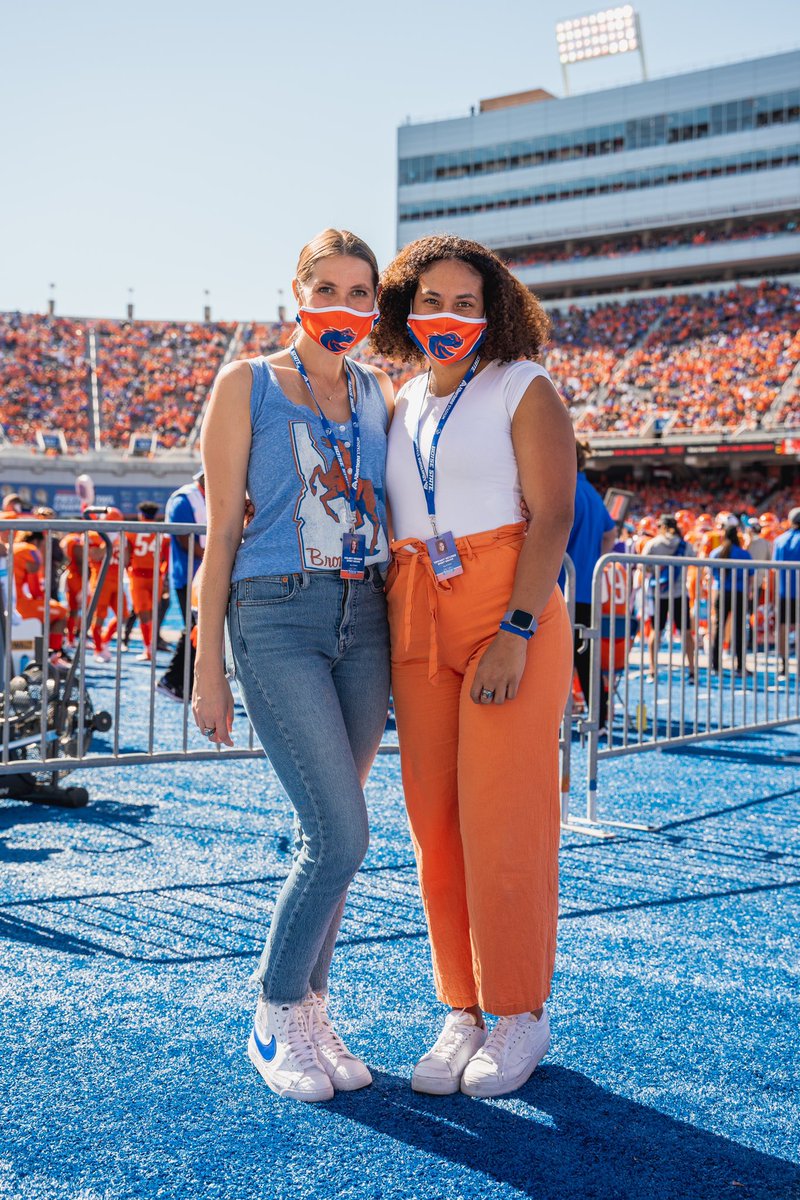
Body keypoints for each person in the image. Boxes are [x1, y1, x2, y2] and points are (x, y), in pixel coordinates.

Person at [192, 229, 394, 1103]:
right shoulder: (245, 384)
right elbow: (221, 532)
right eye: (329, 287)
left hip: (367, 620)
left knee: (337, 838)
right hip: (275, 617)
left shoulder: (378, 392)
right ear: (296, 288)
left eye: (361, 292)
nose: (344, 306)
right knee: (339, 834)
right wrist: (207, 666)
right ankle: (274, 1013)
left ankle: (313, 1006)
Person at [374, 234, 575, 1099]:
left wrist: (518, 627)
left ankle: (519, 1008)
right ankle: (461, 1005)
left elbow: (555, 515)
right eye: (431, 302)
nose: (447, 317)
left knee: (506, 814)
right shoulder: (404, 397)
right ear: (404, 311)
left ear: (493, 311)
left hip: (506, 610)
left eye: (465, 302)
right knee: (435, 823)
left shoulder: (524, 386)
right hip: (418, 612)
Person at [564, 441, 616, 728]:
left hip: (560, 586)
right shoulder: (592, 493)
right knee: (586, 656)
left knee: (555, 655)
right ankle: (600, 712)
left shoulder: (565, 487)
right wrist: (595, 560)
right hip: (586, 587)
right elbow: (611, 533)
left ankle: (559, 712)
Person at [157, 473, 206, 699]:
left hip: (203, 574)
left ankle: (182, 682)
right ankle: (172, 680)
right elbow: (185, 541)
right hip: (189, 575)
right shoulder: (184, 499)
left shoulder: (205, 496)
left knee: (198, 629)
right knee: (195, 629)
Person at [641, 514, 696, 682]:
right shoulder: (684, 545)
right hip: (679, 593)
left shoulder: (653, 544)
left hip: (659, 593)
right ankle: (692, 670)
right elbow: (693, 561)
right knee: (686, 633)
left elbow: (645, 567)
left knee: (655, 631)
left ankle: (652, 669)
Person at [125, 500, 170, 661]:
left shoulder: (132, 532)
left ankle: (148, 649)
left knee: (143, 614)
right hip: (156, 575)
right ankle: (150, 647)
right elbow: (166, 558)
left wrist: (127, 571)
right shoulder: (163, 534)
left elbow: (126, 557)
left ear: (141, 515)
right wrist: (163, 576)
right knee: (151, 613)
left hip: (138, 576)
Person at [708, 518, 753, 675]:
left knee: (718, 628)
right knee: (739, 629)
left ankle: (715, 665)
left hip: (722, 593)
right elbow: (750, 576)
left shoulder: (716, 553)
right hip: (739, 593)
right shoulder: (744, 554)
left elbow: (712, 575)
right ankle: (740, 666)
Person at [772, 506, 800, 677]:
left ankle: (783, 664)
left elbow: (774, 568)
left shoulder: (780, 540)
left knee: (782, 628)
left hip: (783, 592)